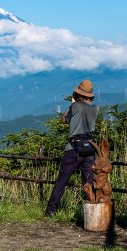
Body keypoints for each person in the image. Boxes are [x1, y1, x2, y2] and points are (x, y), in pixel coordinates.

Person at [46, 79, 99, 216]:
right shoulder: (95, 108)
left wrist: (72, 104)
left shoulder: (74, 107)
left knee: (62, 180)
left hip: (73, 148)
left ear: (77, 93)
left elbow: (64, 120)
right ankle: (91, 213)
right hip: (90, 149)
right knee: (88, 182)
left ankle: (51, 210)